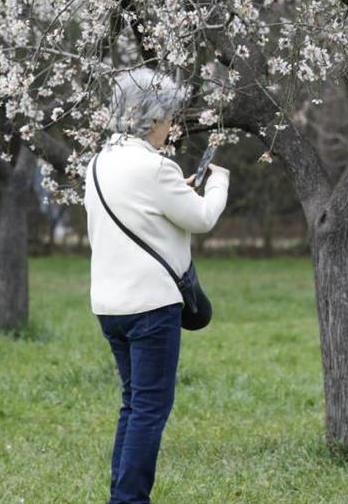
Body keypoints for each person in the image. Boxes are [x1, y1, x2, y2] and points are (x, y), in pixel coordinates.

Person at [84, 69, 230, 504]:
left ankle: (122, 494)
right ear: (150, 118)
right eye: (168, 117)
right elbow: (202, 219)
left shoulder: (97, 163)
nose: (172, 126)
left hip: (109, 305)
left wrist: (174, 194)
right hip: (151, 306)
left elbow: (142, 212)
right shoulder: (156, 167)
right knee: (149, 410)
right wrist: (218, 182)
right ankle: (129, 500)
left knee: (133, 404)